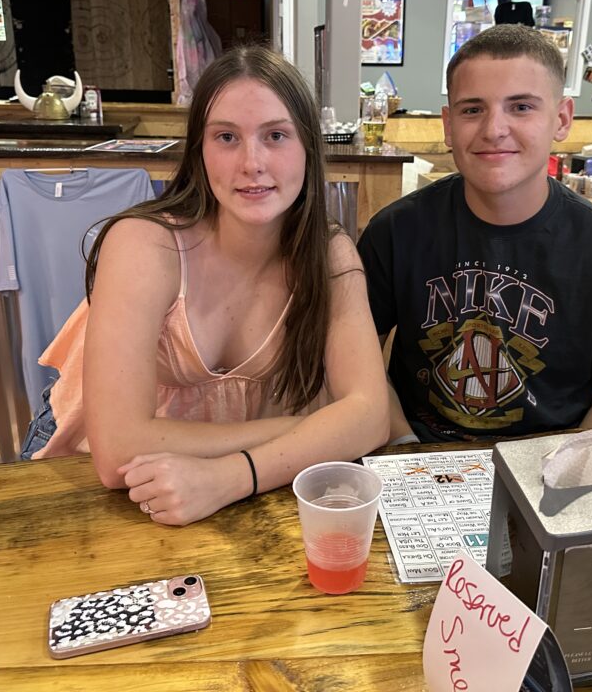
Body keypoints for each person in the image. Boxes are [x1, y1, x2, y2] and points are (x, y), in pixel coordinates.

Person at [21, 46, 390, 525]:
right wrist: (310, 431)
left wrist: (231, 477)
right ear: (200, 149)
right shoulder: (143, 244)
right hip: (86, 471)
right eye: (227, 137)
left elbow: (370, 416)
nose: (252, 163)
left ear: (308, 149)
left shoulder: (329, 253)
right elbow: (117, 453)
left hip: (216, 482)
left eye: (276, 135)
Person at [357, 25, 592, 443]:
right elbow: (356, 366)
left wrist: (560, 464)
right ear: (448, 125)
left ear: (561, 119)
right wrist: (406, 450)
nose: (494, 129)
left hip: (549, 460)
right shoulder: (393, 233)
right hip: (419, 450)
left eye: (521, 107)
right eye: (473, 110)